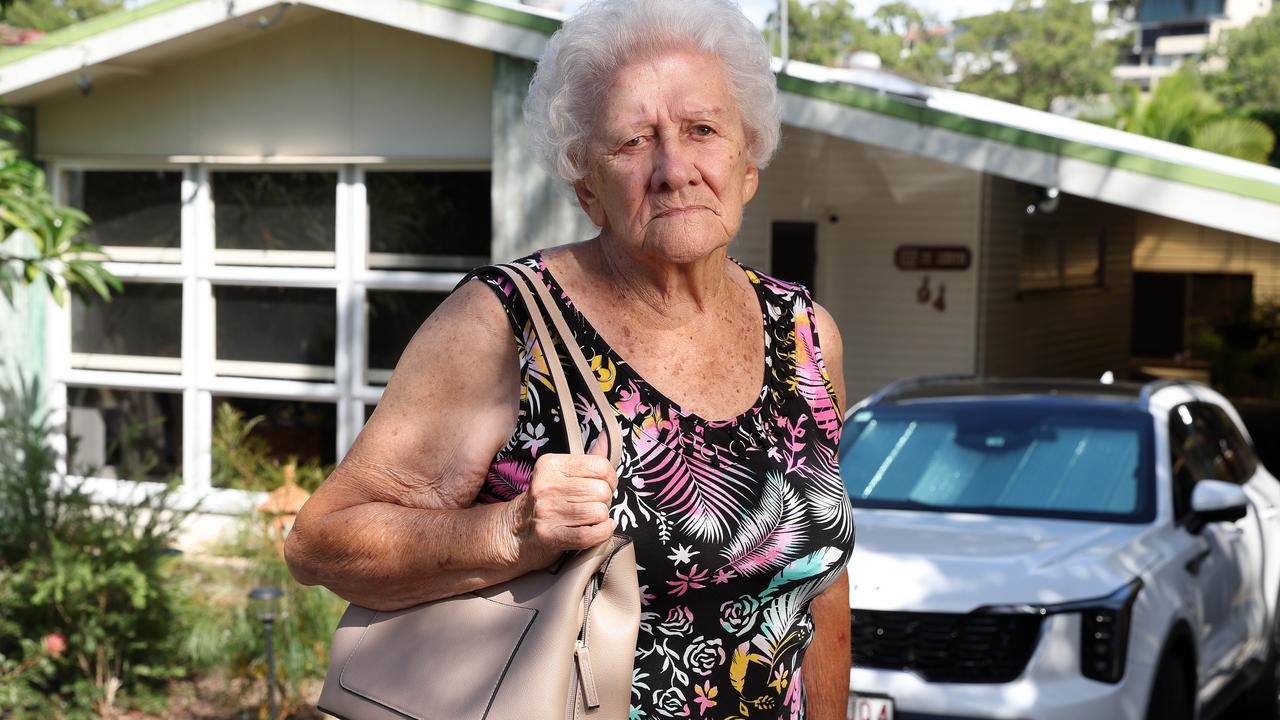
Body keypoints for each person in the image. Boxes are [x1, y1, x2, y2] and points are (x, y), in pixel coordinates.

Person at [284, 0, 856, 716]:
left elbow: (824, 589)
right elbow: (321, 544)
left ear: (749, 162)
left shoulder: (804, 333)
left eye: (703, 130)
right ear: (588, 187)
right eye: (632, 143)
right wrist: (511, 530)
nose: (673, 169)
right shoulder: (505, 323)